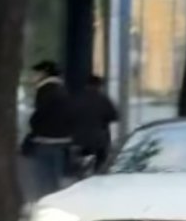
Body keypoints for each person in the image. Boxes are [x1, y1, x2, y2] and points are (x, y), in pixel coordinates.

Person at [21, 60, 72, 204]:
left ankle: (46, 206)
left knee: (43, 180)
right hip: (61, 140)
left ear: (44, 73)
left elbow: (39, 116)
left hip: (45, 140)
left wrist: (33, 125)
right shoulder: (62, 90)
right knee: (54, 179)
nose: (33, 76)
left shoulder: (45, 90)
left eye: (36, 73)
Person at [71, 74, 118, 173]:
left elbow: (69, 117)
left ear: (86, 85)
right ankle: (97, 175)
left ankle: (79, 174)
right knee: (101, 163)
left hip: (78, 139)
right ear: (99, 86)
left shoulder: (77, 99)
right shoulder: (103, 99)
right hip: (98, 140)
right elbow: (114, 116)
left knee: (77, 163)